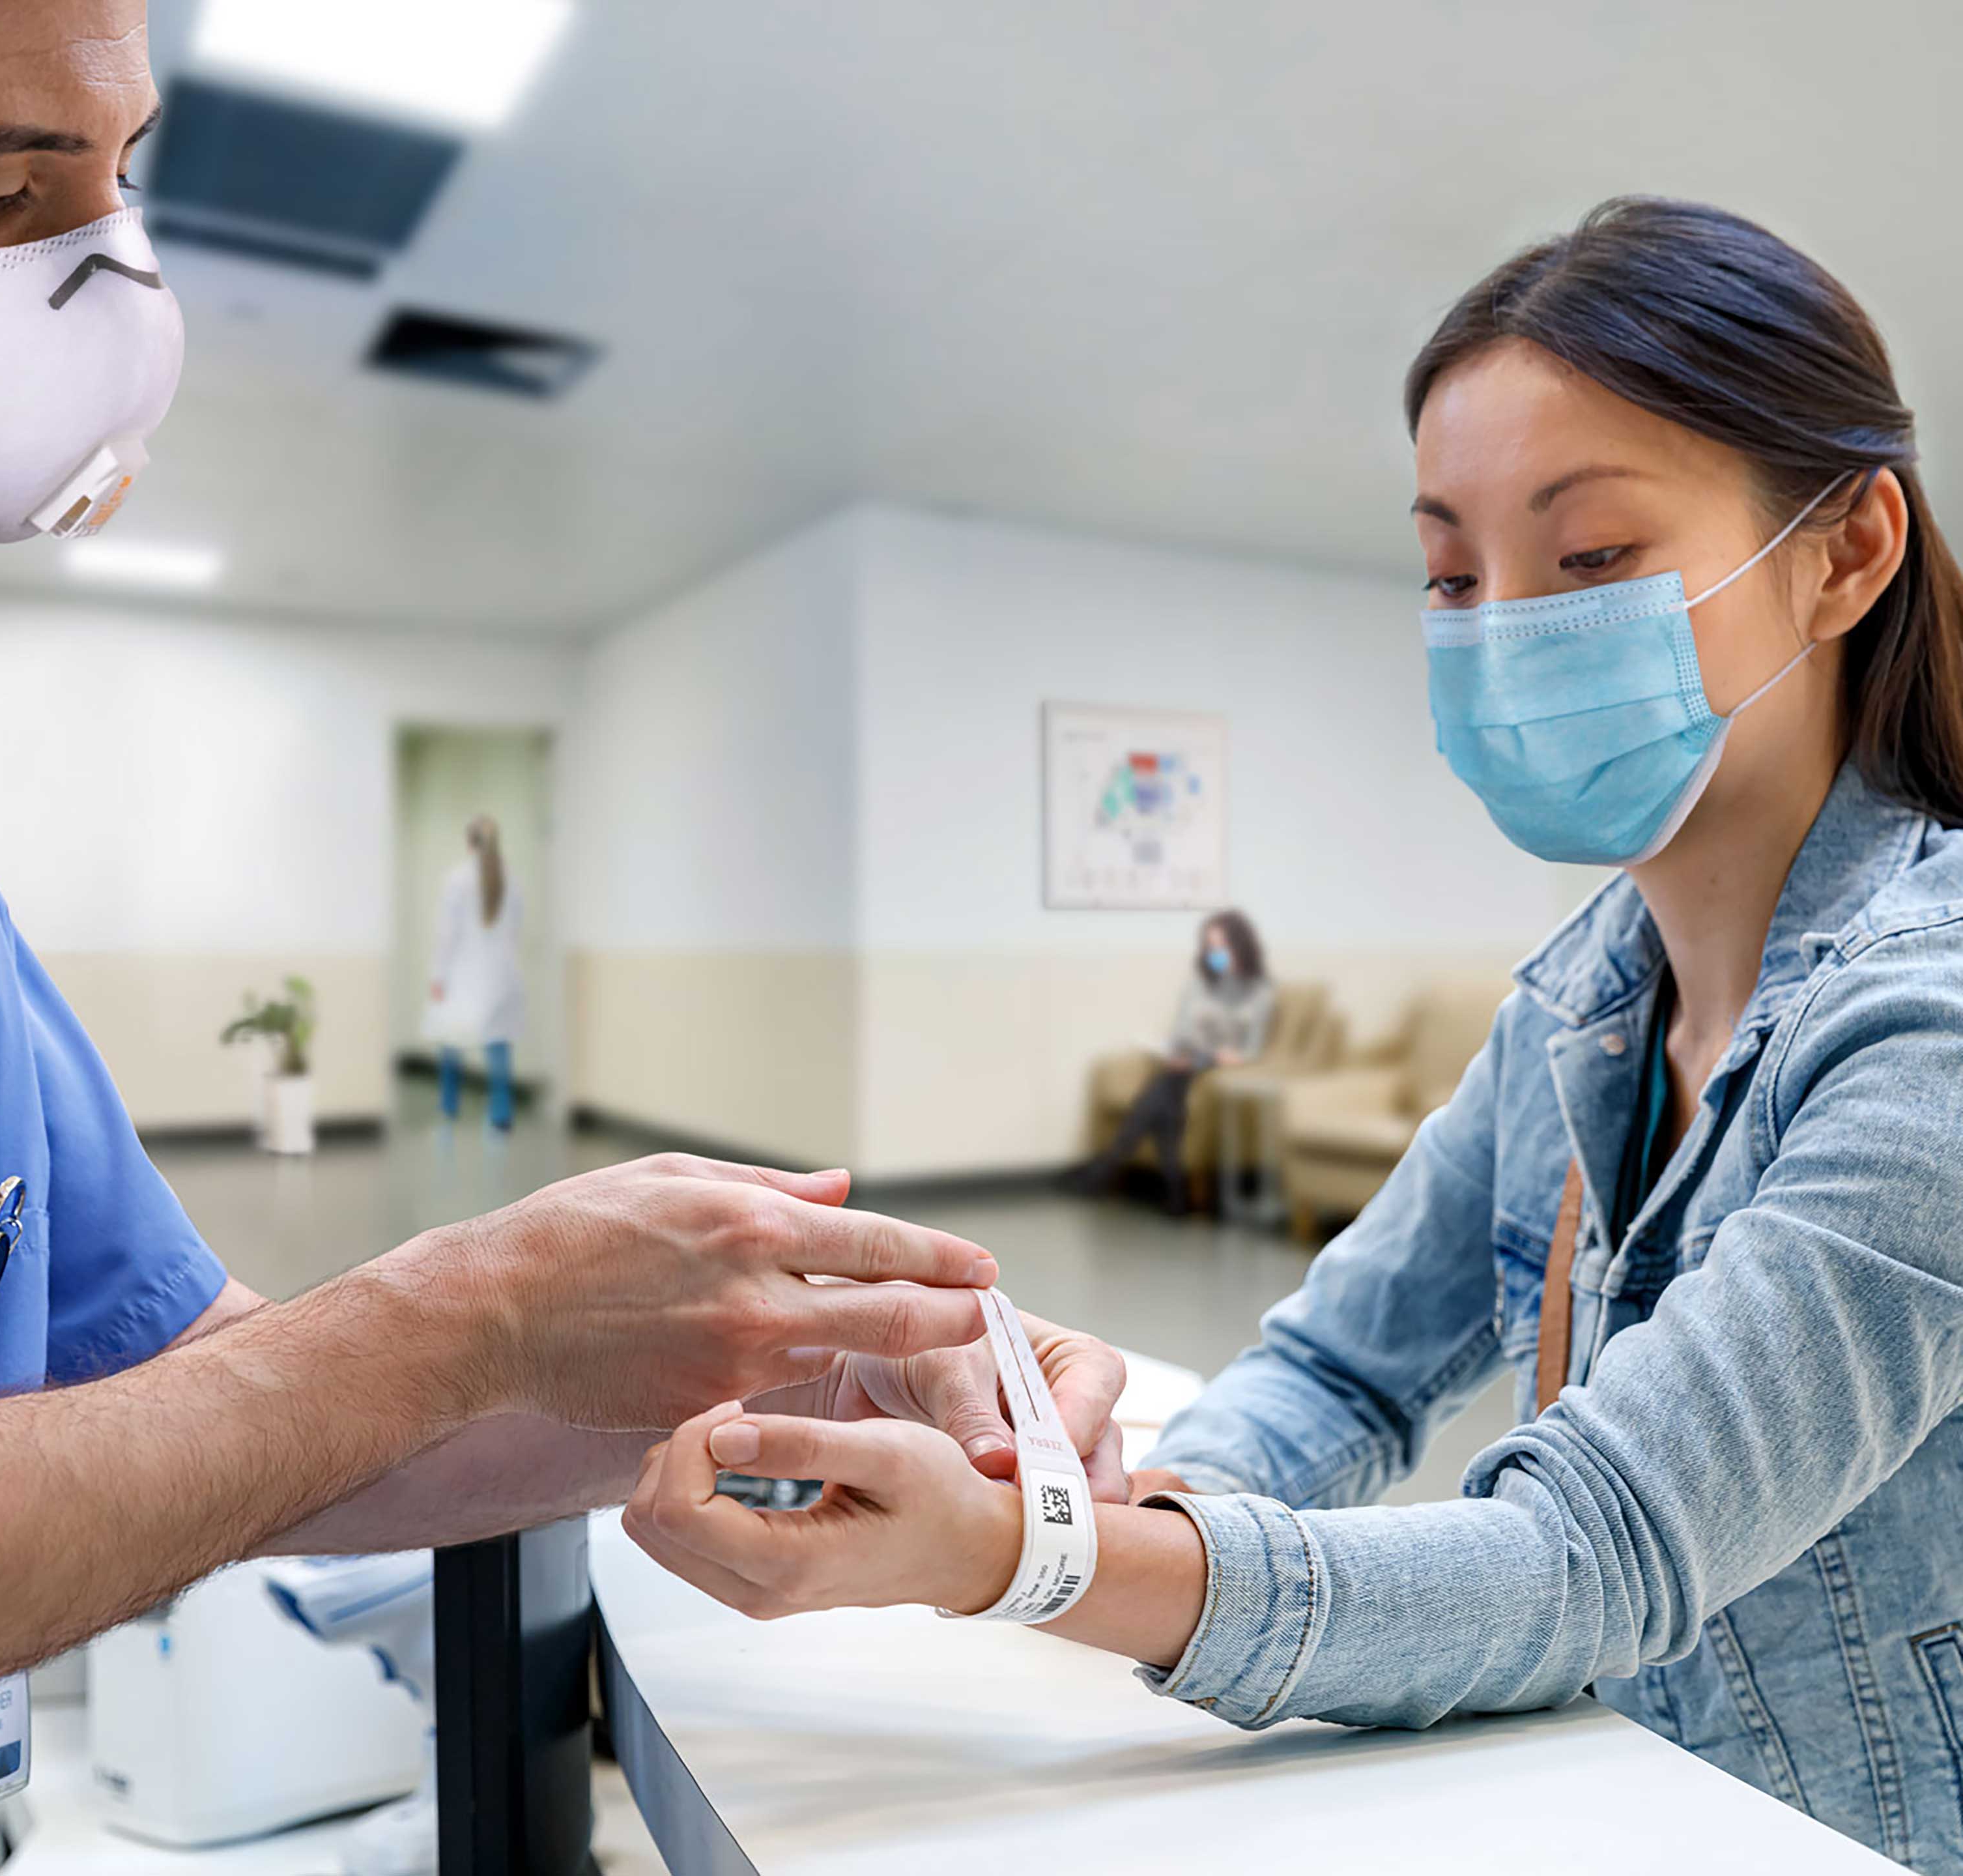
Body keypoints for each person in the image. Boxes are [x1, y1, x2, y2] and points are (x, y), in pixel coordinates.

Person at [0, 9, 1128, 1873]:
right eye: (3, 192)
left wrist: (750, 1354)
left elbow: (208, 1410)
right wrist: (471, 1304)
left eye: (122, 186)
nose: (113, 290)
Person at [628, 196, 1963, 1873]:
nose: (1502, 630)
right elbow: (1339, 1370)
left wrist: (1023, 1558)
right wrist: (1070, 1473)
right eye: (1449, 572)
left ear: (1844, 553)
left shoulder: (1932, 1030)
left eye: (1592, 558)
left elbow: (1588, 1557)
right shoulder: (1579, 1006)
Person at [1070, 908, 1272, 1211]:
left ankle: (1105, 1172)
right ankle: (1174, 1191)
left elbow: (1252, 1049)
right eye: (1210, 947)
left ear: (1240, 945)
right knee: (1167, 1104)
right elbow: (1183, 1029)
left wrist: (1218, 1056)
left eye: (1221, 947)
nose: (1215, 954)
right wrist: (1180, 1052)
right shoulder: (1202, 984)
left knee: (1160, 1097)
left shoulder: (1259, 990)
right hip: (1187, 1059)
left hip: (1218, 1066)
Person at [426, 815, 524, 1129]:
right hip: (502, 974)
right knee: (499, 1044)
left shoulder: (458, 879)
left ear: (469, 843)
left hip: (465, 973)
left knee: (453, 1039)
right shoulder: (511, 878)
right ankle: (501, 1112)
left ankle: (449, 1106)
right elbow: (515, 929)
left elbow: (448, 933)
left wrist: (439, 976)